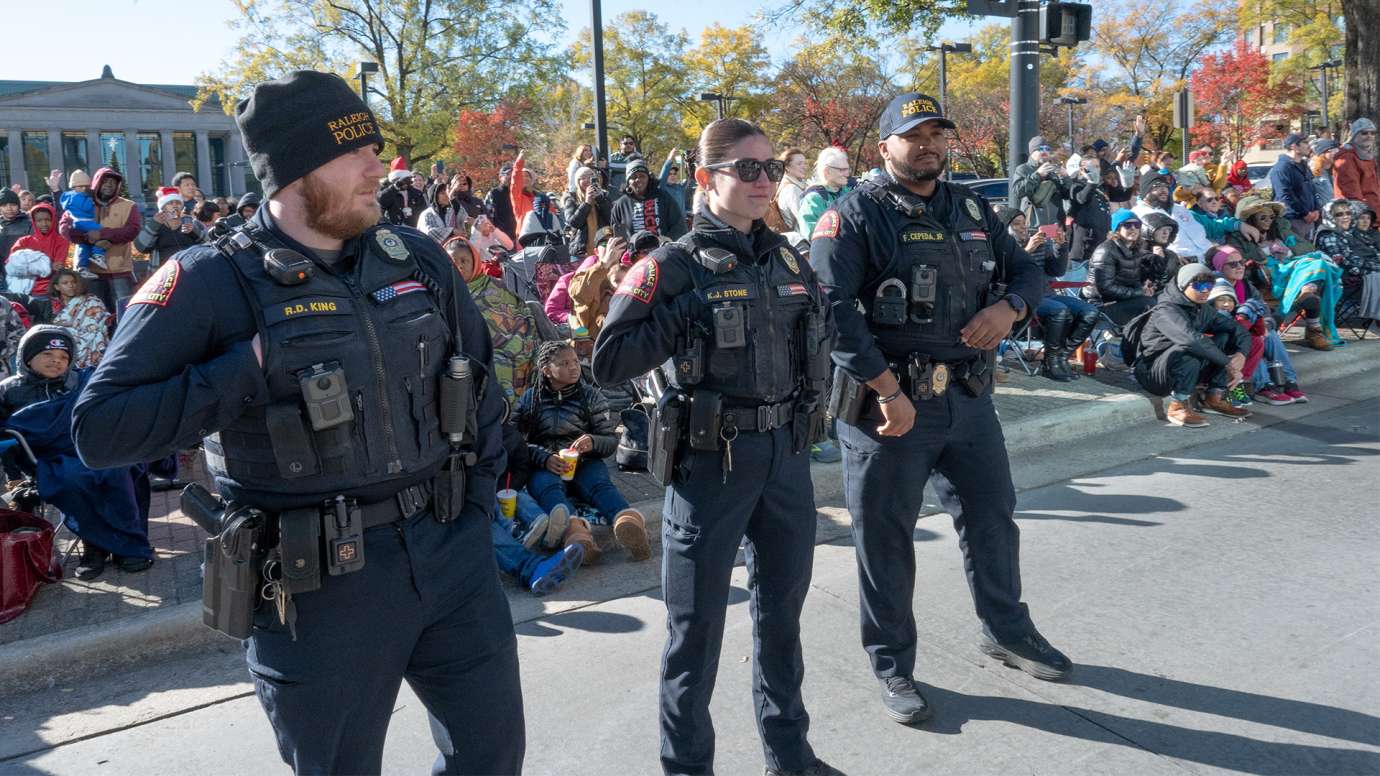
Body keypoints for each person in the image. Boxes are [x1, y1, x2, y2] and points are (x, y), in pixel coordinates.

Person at [70, 71, 522, 774]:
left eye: (374, 148)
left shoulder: (415, 256)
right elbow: (101, 432)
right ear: (294, 173)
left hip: (450, 553)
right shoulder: (210, 279)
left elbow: (483, 382)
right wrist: (245, 365)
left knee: (492, 757)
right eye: (356, 153)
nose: (379, 167)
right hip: (319, 591)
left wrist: (475, 512)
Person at [812, 93, 1071, 726]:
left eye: (936, 133)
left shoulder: (972, 207)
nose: (927, 143)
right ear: (885, 148)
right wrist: (888, 391)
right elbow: (834, 315)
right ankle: (892, 664)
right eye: (913, 134)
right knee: (885, 539)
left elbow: (1028, 271)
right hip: (887, 407)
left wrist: (1009, 308)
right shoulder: (853, 217)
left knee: (992, 519)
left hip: (968, 397)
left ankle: (1006, 631)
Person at [593, 117, 840, 776]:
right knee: (694, 637)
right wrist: (684, 318)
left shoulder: (786, 256)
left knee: (781, 621)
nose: (764, 181)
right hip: (710, 465)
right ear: (706, 179)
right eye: (747, 169)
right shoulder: (669, 265)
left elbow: (820, 329)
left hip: (786, 459)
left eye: (771, 169)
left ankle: (791, 757)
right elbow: (609, 358)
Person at [516, 339, 648, 565]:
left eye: (576, 361)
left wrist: (593, 442)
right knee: (548, 490)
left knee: (600, 486)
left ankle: (627, 522)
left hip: (586, 462)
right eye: (565, 363)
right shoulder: (531, 398)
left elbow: (609, 440)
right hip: (545, 465)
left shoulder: (591, 397)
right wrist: (544, 458)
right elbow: (515, 442)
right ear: (546, 370)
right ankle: (577, 536)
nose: (574, 367)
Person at [1129, 264, 1252, 427]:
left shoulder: (1202, 308)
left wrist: (1241, 354)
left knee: (1225, 335)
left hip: (1182, 367)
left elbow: (1239, 330)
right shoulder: (1165, 309)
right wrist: (1228, 364)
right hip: (1152, 370)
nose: (1205, 291)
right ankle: (1178, 404)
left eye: (1209, 286)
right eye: (1200, 286)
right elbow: (1191, 340)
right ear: (1183, 285)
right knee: (1190, 348)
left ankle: (1213, 397)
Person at [997, 207, 1098, 381]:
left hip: (1046, 293)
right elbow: (1003, 275)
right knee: (1059, 311)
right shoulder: (1002, 247)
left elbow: (1056, 270)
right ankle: (1052, 364)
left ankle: (1057, 358)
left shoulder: (1037, 242)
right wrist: (1026, 251)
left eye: (1024, 223)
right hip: (1020, 297)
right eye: (1016, 224)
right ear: (1005, 227)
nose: (1023, 227)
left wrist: (1060, 246)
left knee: (1090, 311)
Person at [1205, 246, 1306, 405]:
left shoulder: (1245, 285)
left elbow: (1264, 310)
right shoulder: (1214, 286)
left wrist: (1265, 324)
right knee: (1254, 336)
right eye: (1232, 264)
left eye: (1241, 262)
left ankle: (1287, 381)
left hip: (1245, 329)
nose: (1239, 267)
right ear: (1219, 267)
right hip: (1225, 335)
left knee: (1268, 333)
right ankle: (1262, 386)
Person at [57, 167, 141, 315]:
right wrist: (89, 238)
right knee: (94, 315)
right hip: (90, 272)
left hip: (119, 271)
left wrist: (103, 234)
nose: (109, 185)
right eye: (105, 181)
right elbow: (65, 228)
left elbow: (132, 230)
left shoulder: (129, 206)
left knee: (125, 314)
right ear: (97, 183)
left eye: (113, 182)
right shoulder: (81, 202)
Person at [1086, 209, 1156, 325]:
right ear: (1117, 229)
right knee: (1149, 304)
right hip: (1101, 306)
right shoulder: (1105, 251)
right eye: (1127, 225)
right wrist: (1139, 292)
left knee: (1163, 300)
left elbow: (1133, 281)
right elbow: (1105, 288)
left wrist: (1147, 286)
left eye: (1137, 225)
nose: (1133, 228)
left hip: (1122, 301)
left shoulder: (1135, 250)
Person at [9, 201, 70, 318]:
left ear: (53, 220)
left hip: (53, 294)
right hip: (26, 294)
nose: (44, 224)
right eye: (39, 220)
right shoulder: (24, 241)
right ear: (33, 222)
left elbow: (59, 267)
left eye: (48, 219)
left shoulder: (62, 241)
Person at [610, 158, 686, 240]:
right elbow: (616, 235)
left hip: (661, 250)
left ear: (648, 178)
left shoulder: (662, 196)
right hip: (633, 252)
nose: (638, 180)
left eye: (642, 176)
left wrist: (668, 240)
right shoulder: (621, 204)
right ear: (628, 182)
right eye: (633, 177)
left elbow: (679, 226)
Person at [49, 268, 110, 370]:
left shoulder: (91, 301)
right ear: (57, 287)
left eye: (73, 282)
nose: (71, 285)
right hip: (61, 345)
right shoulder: (50, 306)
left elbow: (96, 324)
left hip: (89, 342)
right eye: (65, 283)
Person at [133, 188, 204, 269]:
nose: (175, 205)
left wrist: (194, 231)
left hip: (190, 269)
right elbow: (141, 247)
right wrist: (154, 224)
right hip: (164, 272)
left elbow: (207, 243)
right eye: (170, 203)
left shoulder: (190, 221)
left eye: (178, 203)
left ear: (182, 207)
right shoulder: (155, 224)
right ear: (163, 208)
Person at [1268, 133, 1321, 241]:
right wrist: (1305, 213)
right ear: (1294, 146)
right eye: (1305, 142)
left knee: (1310, 254)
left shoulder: (1304, 165)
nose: (1309, 146)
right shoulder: (1281, 168)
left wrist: (1316, 209)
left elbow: (1312, 190)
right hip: (1293, 220)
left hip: (1309, 220)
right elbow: (1284, 195)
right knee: (1297, 254)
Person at [1012, 135, 1070, 228]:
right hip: (1034, 226)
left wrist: (1065, 177)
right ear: (1032, 152)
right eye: (1041, 149)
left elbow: (1067, 195)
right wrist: (1038, 175)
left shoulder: (1053, 169)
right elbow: (1017, 191)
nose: (1045, 152)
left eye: (1047, 149)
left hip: (1056, 227)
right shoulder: (1023, 169)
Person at [56, 172, 107, 275]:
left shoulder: (68, 197)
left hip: (79, 222)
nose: (84, 189)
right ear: (74, 187)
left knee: (83, 245)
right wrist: (91, 199)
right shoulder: (76, 197)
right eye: (81, 186)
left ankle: (82, 267)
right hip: (83, 221)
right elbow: (86, 208)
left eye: (87, 186)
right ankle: (98, 254)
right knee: (102, 231)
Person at [796, 147, 852, 239]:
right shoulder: (814, 198)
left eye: (847, 169)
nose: (847, 174)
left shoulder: (848, 192)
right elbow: (812, 234)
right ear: (827, 171)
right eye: (842, 170)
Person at [562, 166, 612, 258]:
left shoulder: (604, 195)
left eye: (590, 176)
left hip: (603, 247)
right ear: (578, 181)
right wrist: (586, 203)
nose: (588, 180)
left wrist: (600, 199)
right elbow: (573, 223)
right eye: (583, 177)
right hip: (581, 250)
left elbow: (612, 218)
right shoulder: (571, 198)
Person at [1332, 118, 1378, 215]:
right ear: (1355, 135)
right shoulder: (1346, 158)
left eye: (1372, 133)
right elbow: (1351, 194)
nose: (1369, 136)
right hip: (1361, 218)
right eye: (1364, 133)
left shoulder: (1367, 156)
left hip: (1373, 214)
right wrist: (1363, 218)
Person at [774, 147, 810, 236]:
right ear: (787, 167)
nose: (804, 166)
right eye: (799, 164)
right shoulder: (792, 189)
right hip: (801, 241)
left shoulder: (791, 186)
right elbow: (805, 220)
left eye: (804, 163)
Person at [485, 162, 518, 239]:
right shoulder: (493, 193)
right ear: (500, 177)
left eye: (513, 175)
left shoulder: (518, 193)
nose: (511, 177)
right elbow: (488, 215)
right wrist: (494, 232)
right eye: (508, 174)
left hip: (517, 234)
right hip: (500, 235)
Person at [1310, 139, 1342, 207]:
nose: (1336, 153)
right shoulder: (1312, 171)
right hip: (1322, 212)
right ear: (1322, 153)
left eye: (1337, 150)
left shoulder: (1338, 169)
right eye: (1332, 151)